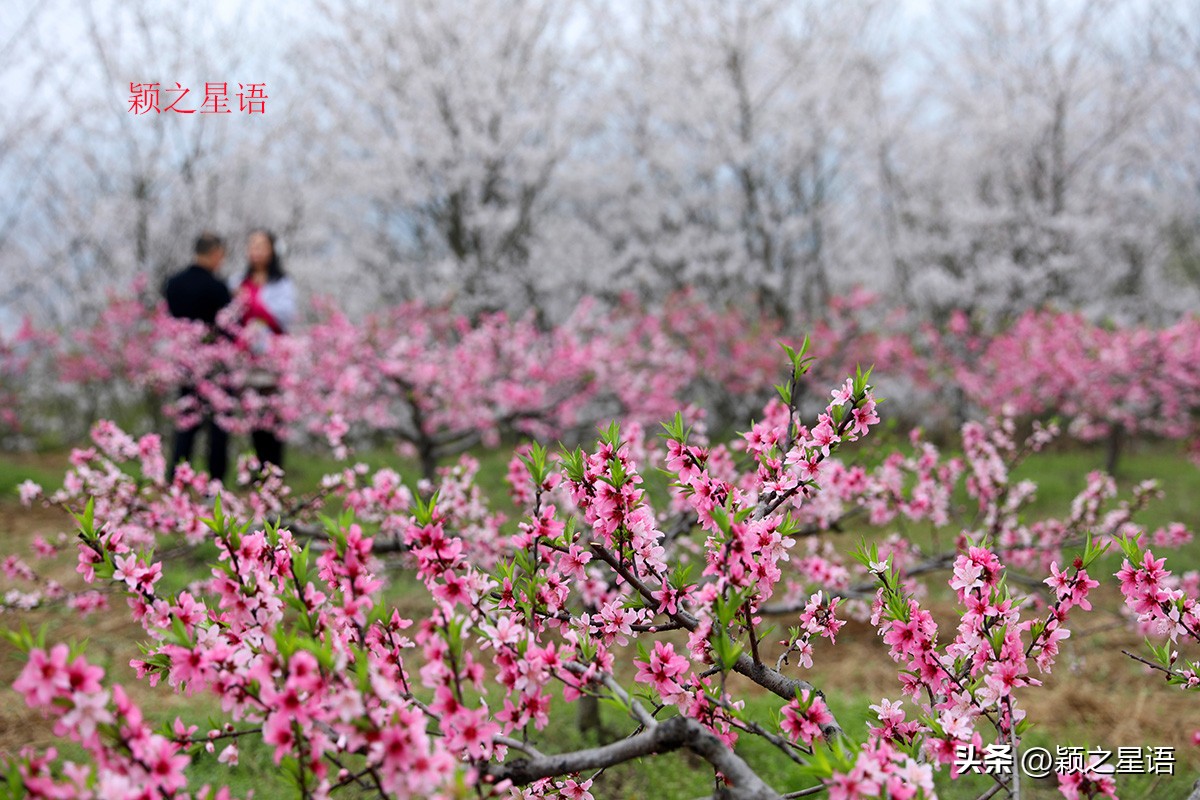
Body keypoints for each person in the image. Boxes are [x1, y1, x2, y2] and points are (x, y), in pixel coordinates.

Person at [163, 231, 233, 483]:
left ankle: (176, 480)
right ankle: (214, 485)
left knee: (186, 425)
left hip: (184, 363)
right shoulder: (217, 287)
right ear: (215, 253)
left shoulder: (173, 283)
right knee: (218, 430)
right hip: (215, 366)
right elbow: (229, 327)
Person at [233, 229, 297, 473]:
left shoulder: (282, 283)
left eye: (261, 246)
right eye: (252, 245)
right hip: (246, 360)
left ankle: (275, 474)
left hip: (273, 360)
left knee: (274, 419)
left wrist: (255, 304)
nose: (256, 251)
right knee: (254, 419)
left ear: (272, 251)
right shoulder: (238, 281)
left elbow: (285, 316)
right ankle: (259, 474)